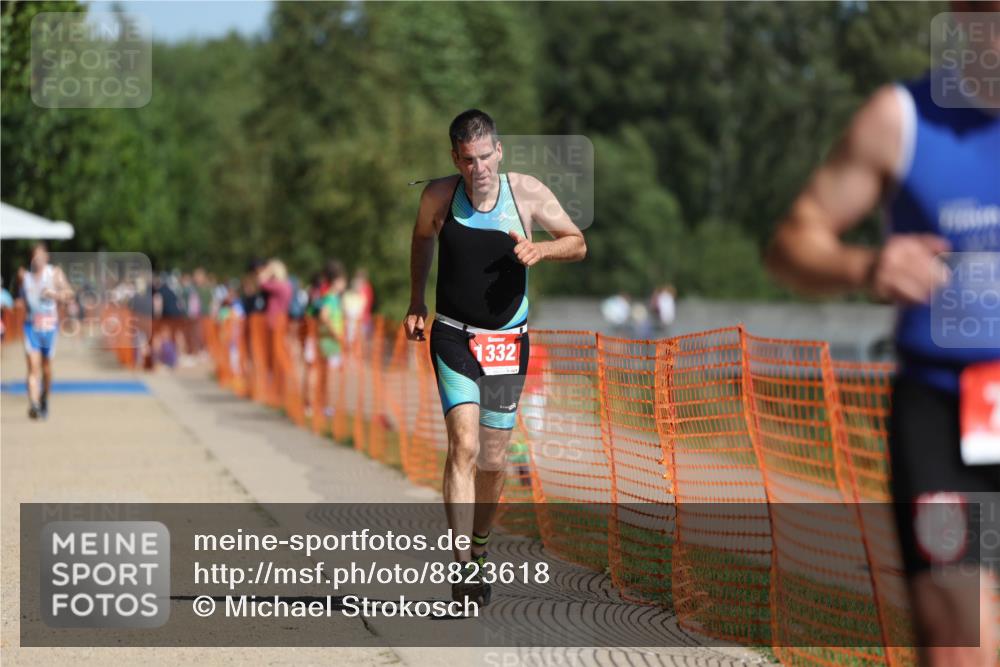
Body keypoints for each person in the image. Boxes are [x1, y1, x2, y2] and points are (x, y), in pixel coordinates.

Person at [766, 9, 999, 664]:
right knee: (960, 640)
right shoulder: (901, 119)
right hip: (945, 410)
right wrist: (866, 264)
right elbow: (792, 242)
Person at [404, 109, 586, 606]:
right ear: (454, 159)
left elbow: (578, 242)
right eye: (467, 159)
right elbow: (422, 239)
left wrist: (541, 252)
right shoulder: (438, 197)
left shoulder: (524, 193)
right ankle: (463, 568)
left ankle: (480, 549)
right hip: (454, 336)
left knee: (494, 458)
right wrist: (417, 300)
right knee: (462, 445)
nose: (478, 168)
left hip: (507, 342)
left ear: (499, 151)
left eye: (485, 157)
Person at [21, 243, 73, 420]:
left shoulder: (54, 273)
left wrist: (56, 295)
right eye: (36, 256)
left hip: (49, 327)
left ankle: (44, 398)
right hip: (31, 327)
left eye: (42, 256)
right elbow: (20, 299)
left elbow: (69, 293)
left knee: (46, 368)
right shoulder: (25, 277)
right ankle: (33, 403)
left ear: (47, 257)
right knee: (33, 367)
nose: (39, 260)